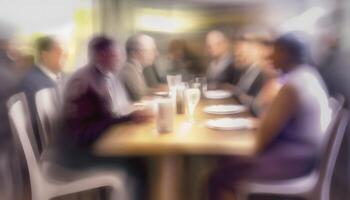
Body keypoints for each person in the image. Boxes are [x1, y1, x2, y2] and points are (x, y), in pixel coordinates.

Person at [208, 34, 332, 200]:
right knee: (229, 162)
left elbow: (262, 139)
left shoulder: (292, 86)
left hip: (294, 162)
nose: (269, 56)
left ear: (287, 53)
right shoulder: (308, 76)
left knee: (218, 177)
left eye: (275, 51)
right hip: (307, 157)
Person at [20, 36, 65, 152]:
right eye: (59, 51)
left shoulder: (54, 79)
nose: (65, 54)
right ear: (45, 55)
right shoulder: (33, 84)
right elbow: (38, 127)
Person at [120, 34, 162, 101]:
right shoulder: (128, 70)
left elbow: (142, 91)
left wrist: (159, 90)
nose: (156, 54)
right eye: (152, 50)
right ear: (137, 52)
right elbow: (139, 97)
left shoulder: (134, 67)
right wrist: (159, 94)